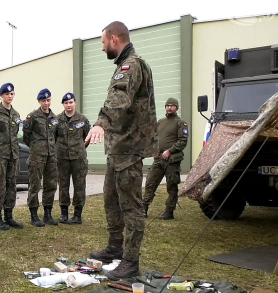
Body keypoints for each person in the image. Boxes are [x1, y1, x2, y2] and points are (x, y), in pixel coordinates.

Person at [86, 21, 157, 279]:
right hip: (118, 149)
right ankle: (115, 247)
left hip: (129, 148)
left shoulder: (131, 65)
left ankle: (130, 260)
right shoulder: (124, 66)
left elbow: (119, 98)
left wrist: (100, 123)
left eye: (103, 42)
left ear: (114, 39)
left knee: (130, 205)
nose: (102, 47)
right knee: (111, 200)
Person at [142, 98, 188, 220]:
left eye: (172, 105)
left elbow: (183, 141)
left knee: (172, 186)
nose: (169, 108)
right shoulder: (160, 122)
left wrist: (170, 151)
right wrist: (154, 151)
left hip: (172, 161)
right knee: (150, 183)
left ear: (176, 108)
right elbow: (154, 138)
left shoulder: (181, 123)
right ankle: (144, 209)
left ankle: (169, 212)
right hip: (158, 159)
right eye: (167, 105)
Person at [0, 83, 24, 230]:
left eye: (12, 94)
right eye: (7, 94)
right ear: (1, 95)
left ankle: (9, 216)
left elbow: (17, 134)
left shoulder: (16, 115)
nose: (10, 96)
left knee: (11, 185)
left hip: (12, 155)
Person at [23, 88, 59, 227]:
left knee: (51, 185)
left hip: (51, 156)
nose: (46, 103)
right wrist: (36, 147)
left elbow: (55, 136)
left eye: (48, 100)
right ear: (39, 101)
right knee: (35, 185)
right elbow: (26, 136)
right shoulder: (32, 117)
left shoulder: (54, 118)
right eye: (43, 100)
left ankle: (48, 214)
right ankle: (34, 214)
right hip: (37, 156)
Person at [55, 92, 91, 225]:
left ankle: (77, 215)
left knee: (79, 186)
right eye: (66, 103)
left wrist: (79, 149)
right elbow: (53, 138)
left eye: (71, 102)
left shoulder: (83, 120)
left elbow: (87, 138)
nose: (68, 105)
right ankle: (64, 214)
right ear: (63, 105)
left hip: (79, 159)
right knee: (63, 186)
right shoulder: (57, 120)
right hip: (62, 158)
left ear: (75, 102)